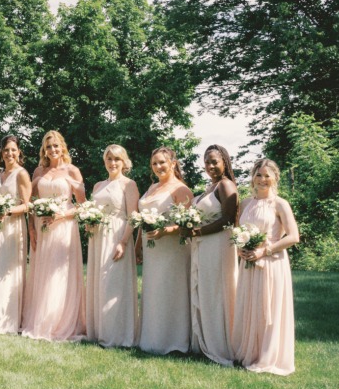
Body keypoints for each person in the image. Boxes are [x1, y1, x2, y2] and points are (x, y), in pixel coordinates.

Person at [232, 158, 299, 375]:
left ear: (275, 178)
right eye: (258, 175)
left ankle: (269, 356)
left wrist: (265, 250)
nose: (262, 179)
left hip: (271, 263)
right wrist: (240, 249)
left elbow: (293, 237)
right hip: (248, 264)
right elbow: (237, 233)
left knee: (268, 308)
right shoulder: (244, 204)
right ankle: (250, 352)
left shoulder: (280, 204)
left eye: (267, 175)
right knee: (250, 306)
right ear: (252, 177)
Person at [21, 130, 86, 342]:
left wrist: (61, 214)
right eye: (49, 147)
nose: (53, 150)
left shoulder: (72, 171)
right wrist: (31, 229)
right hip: (42, 229)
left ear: (63, 147)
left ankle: (59, 323)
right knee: (42, 274)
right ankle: (41, 319)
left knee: (59, 275)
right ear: (44, 150)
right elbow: (31, 203)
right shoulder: (39, 171)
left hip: (64, 227)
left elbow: (83, 206)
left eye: (56, 146)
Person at [136, 146, 194, 355]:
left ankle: (174, 341)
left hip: (172, 249)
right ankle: (152, 338)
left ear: (173, 163)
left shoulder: (181, 190)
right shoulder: (152, 188)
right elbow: (142, 221)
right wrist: (138, 246)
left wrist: (166, 231)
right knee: (153, 290)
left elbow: (189, 225)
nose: (158, 166)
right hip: (152, 249)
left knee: (170, 290)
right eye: (154, 163)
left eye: (162, 162)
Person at [185, 144, 238, 366]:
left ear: (224, 161)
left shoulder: (226, 185)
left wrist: (197, 231)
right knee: (206, 291)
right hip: (203, 244)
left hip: (218, 244)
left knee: (217, 293)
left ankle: (220, 344)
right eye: (207, 162)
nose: (210, 166)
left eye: (214, 161)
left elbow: (228, 218)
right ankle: (204, 340)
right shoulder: (211, 187)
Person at [84, 144, 140, 348]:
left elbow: (133, 216)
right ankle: (100, 331)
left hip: (117, 235)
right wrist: (89, 223)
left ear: (124, 162)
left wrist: (123, 242)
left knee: (114, 283)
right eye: (109, 159)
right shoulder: (98, 186)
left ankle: (116, 335)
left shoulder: (129, 184)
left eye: (117, 159)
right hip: (97, 237)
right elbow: (93, 210)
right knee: (99, 282)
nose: (113, 163)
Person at [0, 134, 31, 335]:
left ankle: (5, 323)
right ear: (1, 154)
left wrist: (8, 212)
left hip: (13, 227)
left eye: (13, 150)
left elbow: (27, 205)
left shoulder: (21, 174)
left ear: (19, 152)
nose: (9, 153)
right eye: (6, 150)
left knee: (6, 272)